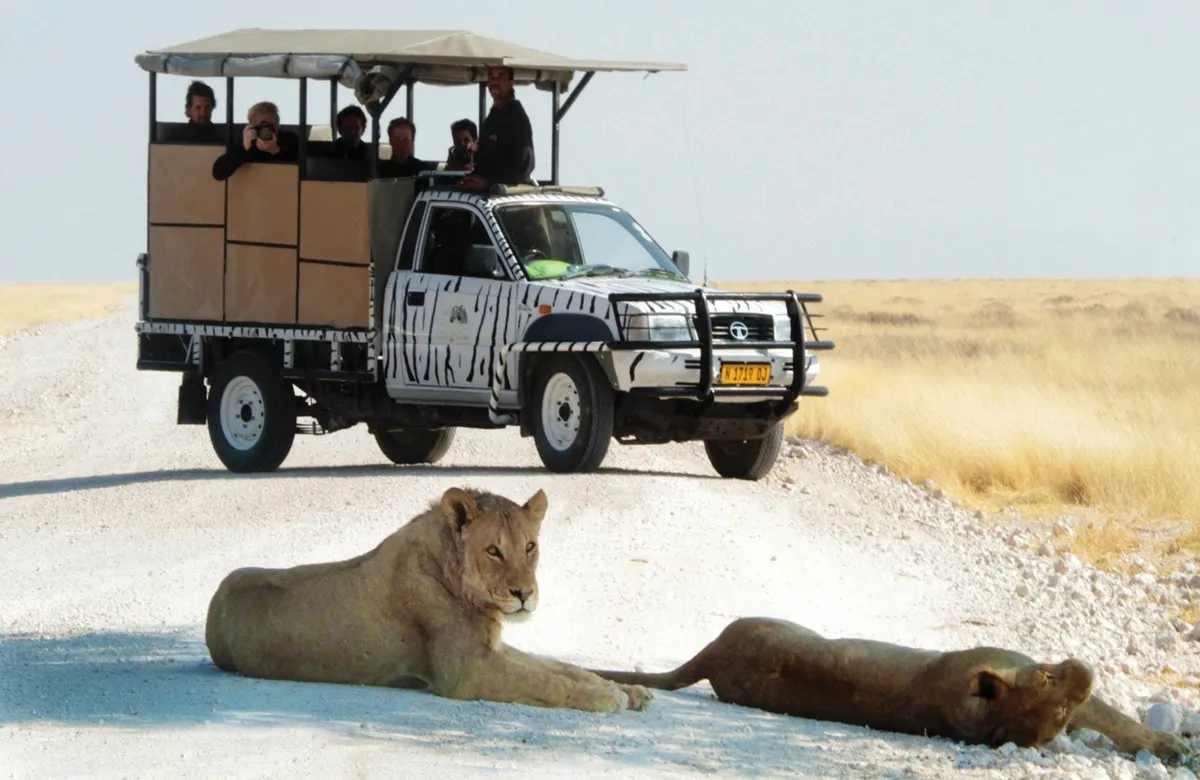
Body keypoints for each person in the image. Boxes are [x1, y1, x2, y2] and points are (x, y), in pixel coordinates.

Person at [463, 66, 535, 191]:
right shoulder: (493, 116)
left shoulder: (516, 117)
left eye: (500, 76)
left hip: (506, 198)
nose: (494, 81)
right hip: (485, 197)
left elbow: (525, 165)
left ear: (512, 83)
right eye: (491, 76)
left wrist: (488, 183)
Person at [211, 101, 298, 181]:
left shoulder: (289, 138)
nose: (267, 130)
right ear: (253, 126)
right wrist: (243, 148)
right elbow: (218, 173)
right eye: (263, 125)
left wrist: (276, 151)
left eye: (271, 125)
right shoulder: (249, 142)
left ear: (278, 124)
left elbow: (300, 170)